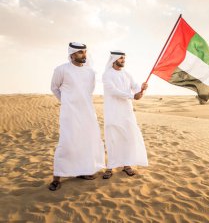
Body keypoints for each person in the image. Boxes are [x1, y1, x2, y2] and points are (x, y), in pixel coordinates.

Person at [49, 42, 105, 191]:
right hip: (69, 114)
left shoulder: (90, 72)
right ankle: (57, 177)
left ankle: (82, 171)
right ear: (72, 55)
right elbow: (54, 88)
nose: (84, 55)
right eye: (80, 52)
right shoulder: (61, 70)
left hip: (87, 113)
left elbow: (88, 91)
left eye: (85, 52)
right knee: (66, 143)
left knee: (86, 142)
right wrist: (66, 102)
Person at [102, 50, 148, 179]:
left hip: (126, 111)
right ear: (114, 59)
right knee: (112, 137)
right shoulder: (107, 74)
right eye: (121, 58)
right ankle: (110, 167)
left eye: (124, 58)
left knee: (128, 136)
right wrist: (132, 95)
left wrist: (142, 88)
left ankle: (126, 165)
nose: (123, 60)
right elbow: (113, 91)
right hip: (112, 111)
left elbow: (136, 88)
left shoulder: (127, 74)